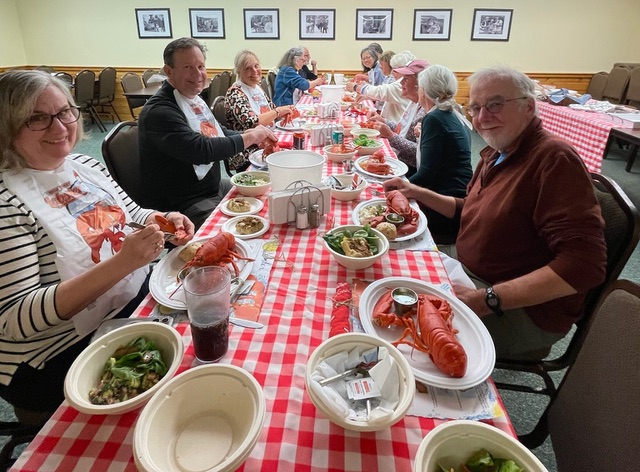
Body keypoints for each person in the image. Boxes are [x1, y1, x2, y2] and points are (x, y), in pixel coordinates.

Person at [0, 70, 195, 420]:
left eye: (64, 112)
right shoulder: (6, 204)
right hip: (54, 354)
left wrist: (164, 219)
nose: (59, 127)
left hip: (124, 302)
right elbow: (15, 319)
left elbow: (133, 214)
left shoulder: (84, 164)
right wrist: (123, 263)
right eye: (37, 118)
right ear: (7, 127)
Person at [383, 66, 607, 360]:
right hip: (470, 273)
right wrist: (417, 192)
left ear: (529, 107)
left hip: (520, 310)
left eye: (495, 104)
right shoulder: (496, 153)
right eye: (475, 107)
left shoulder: (554, 160)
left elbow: (585, 265)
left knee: (397, 329)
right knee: (390, 267)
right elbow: (473, 210)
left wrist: (486, 299)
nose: (482, 117)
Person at [138, 38, 276, 230]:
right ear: (169, 71)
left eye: (201, 66)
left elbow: (217, 132)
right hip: (182, 203)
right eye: (188, 67)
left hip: (212, 187)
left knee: (265, 196)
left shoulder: (191, 98)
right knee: (235, 232)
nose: (197, 74)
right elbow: (201, 149)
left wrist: (249, 133)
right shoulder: (160, 111)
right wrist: (249, 138)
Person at [410, 65, 473, 243]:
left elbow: (427, 175)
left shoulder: (434, 118)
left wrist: (397, 188)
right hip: (459, 198)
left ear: (424, 91)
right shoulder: (453, 112)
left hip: (444, 206)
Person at [224, 50, 295, 171]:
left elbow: (272, 112)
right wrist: (278, 111)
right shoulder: (235, 92)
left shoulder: (257, 88)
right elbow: (252, 122)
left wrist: (286, 112)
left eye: (256, 66)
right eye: (247, 68)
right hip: (248, 151)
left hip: (268, 141)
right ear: (239, 72)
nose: (254, 71)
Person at [368, 59, 430, 173]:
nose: (401, 83)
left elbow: (421, 151)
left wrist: (391, 136)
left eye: (406, 79)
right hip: (400, 160)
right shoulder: (414, 103)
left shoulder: (427, 112)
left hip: (408, 168)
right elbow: (404, 130)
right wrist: (384, 121)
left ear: (419, 84)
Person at [345, 50, 415, 123]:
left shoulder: (403, 84)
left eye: (396, 70)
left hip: (397, 126)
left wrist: (356, 87)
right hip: (392, 122)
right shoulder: (400, 81)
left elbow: (381, 91)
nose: (393, 72)